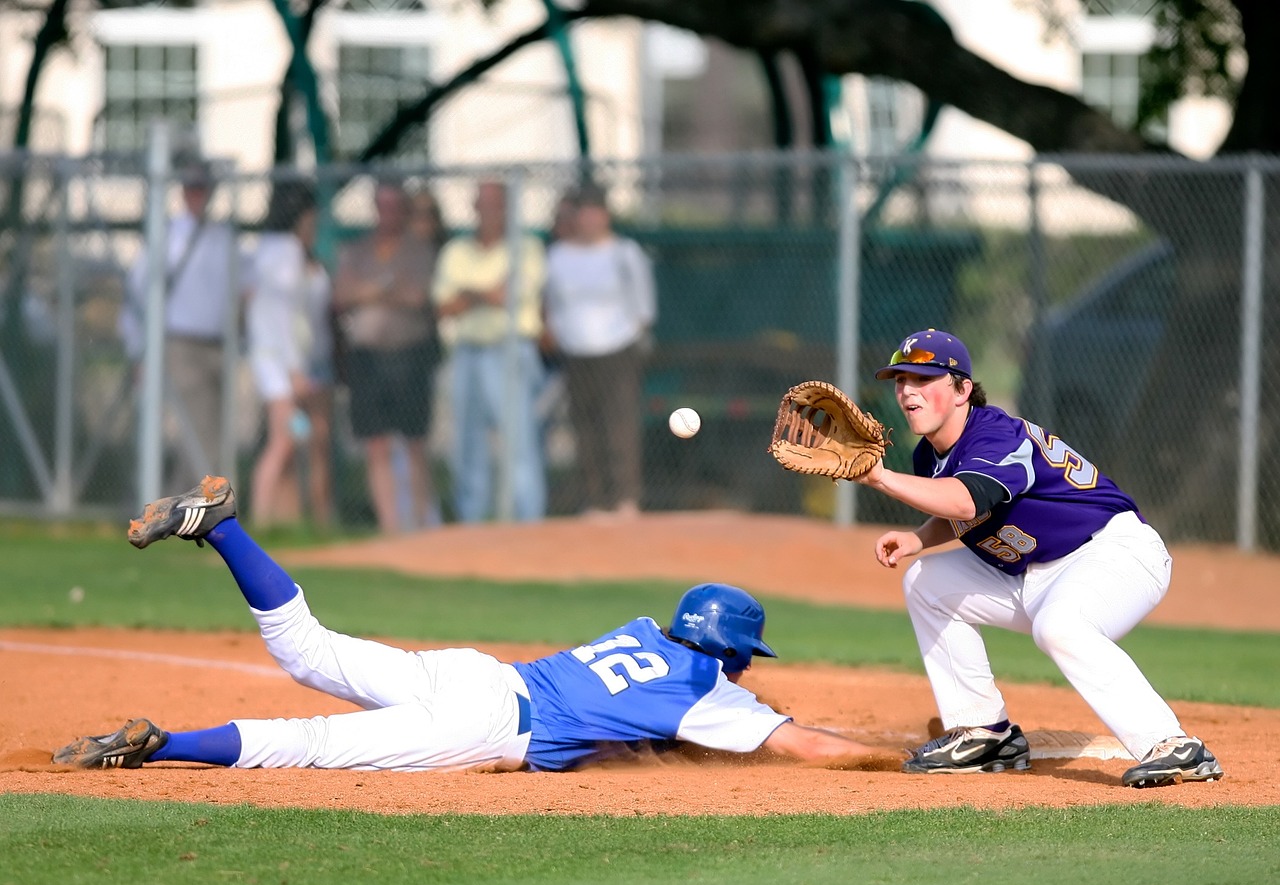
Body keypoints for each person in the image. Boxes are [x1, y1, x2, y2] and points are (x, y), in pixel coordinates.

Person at [52, 476, 888, 774]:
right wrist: (895, 760)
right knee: (308, 742)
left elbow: (644, 719)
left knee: (305, 650)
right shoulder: (710, 695)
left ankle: (223, 525)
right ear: (732, 654)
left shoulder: (642, 631)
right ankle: (161, 745)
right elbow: (804, 745)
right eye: (744, 659)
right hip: (487, 722)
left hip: (476, 673)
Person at [857, 328, 1224, 789]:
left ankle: (1173, 746)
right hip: (1035, 572)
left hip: (1114, 552)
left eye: (923, 378)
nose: (907, 390)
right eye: (900, 380)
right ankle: (985, 734)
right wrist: (919, 539)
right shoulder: (928, 455)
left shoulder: (996, 435)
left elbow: (970, 500)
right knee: (925, 582)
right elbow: (968, 510)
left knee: (1061, 626)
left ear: (962, 390)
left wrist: (879, 479)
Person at [120, 159, 247, 491]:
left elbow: (241, 290)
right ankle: (202, 508)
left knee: (213, 431)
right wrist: (139, 350)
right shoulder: (168, 236)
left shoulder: (223, 237)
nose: (197, 195)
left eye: (202, 188)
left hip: (220, 344)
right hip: (181, 344)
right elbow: (137, 295)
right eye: (191, 188)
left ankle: (184, 505)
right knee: (199, 431)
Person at [433, 180, 547, 523]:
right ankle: (472, 524)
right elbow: (445, 306)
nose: (488, 211)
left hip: (509, 351)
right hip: (467, 352)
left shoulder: (526, 247)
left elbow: (508, 296)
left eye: (496, 204)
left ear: (507, 209)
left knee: (518, 442)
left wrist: (468, 294)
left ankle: (527, 523)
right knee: (467, 444)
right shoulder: (456, 251)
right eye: (481, 203)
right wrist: (484, 293)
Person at [543, 184, 656, 520]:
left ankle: (625, 499)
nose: (589, 220)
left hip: (618, 350)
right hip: (575, 352)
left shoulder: (625, 253)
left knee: (619, 425)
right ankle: (594, 502)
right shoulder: (559, 256)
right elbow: (551, 305)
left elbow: (643, 307)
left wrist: (630, 336)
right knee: (584, 428)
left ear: (605, 215)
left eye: (596, 212)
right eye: (583, 213)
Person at [331, 180, 438, 534]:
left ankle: (421, 525)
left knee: (414, 443)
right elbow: (342, 294)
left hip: (408, 357)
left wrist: (368, 291)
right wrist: (385, 287)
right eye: (382, 206)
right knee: (375, 443)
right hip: (367, 360)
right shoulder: (358, 249)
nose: (388, 213)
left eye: (395, 206)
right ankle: (391, 528)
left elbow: (416, 296)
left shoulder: (419, 250)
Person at [245, 179, 334, 529]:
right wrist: (295, 370)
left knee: (296, 437)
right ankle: (261, 519)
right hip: (278, 364)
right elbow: (283, 317)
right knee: (284, 442)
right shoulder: (286, 252)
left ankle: (285, 519)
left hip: (277, 360)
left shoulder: (267, 250)